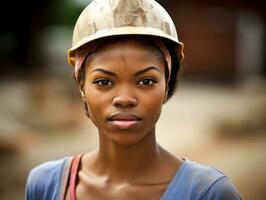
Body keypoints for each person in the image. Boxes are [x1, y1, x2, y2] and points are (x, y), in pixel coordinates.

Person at [25, 0, 242, 199]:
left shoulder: (208, 192)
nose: (125, 99)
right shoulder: (45, 185)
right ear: (81, 86)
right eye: (104, 82)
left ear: (167, 86)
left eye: (146, 81)